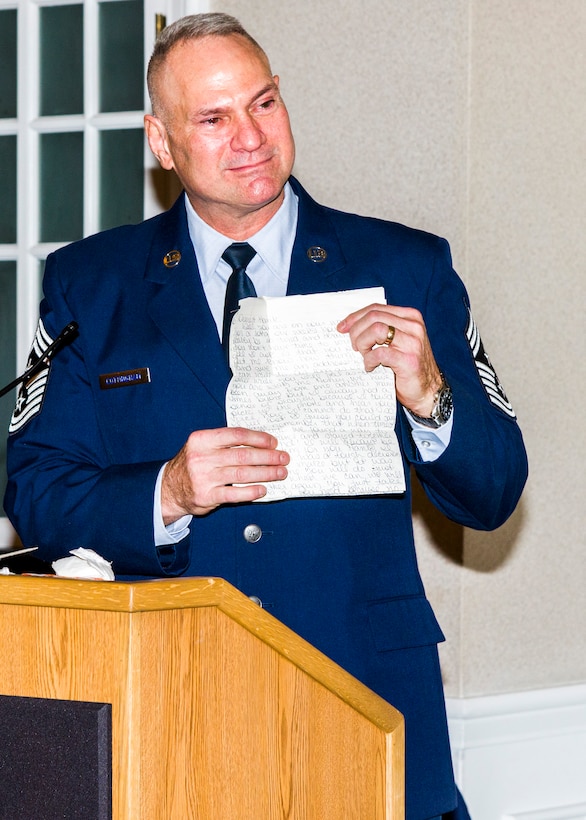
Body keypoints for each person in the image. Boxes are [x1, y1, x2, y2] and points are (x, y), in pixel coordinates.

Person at [3, 13, 527, 819]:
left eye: (265, 103)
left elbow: (494, 492)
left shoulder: (403, 266)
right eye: (213, 118)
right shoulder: (91, 285)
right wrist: (167, 491)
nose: (251, 136)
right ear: (162, 141)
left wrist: (431, 397)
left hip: (367, 700)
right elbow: (35, 486)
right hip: (172, 715)